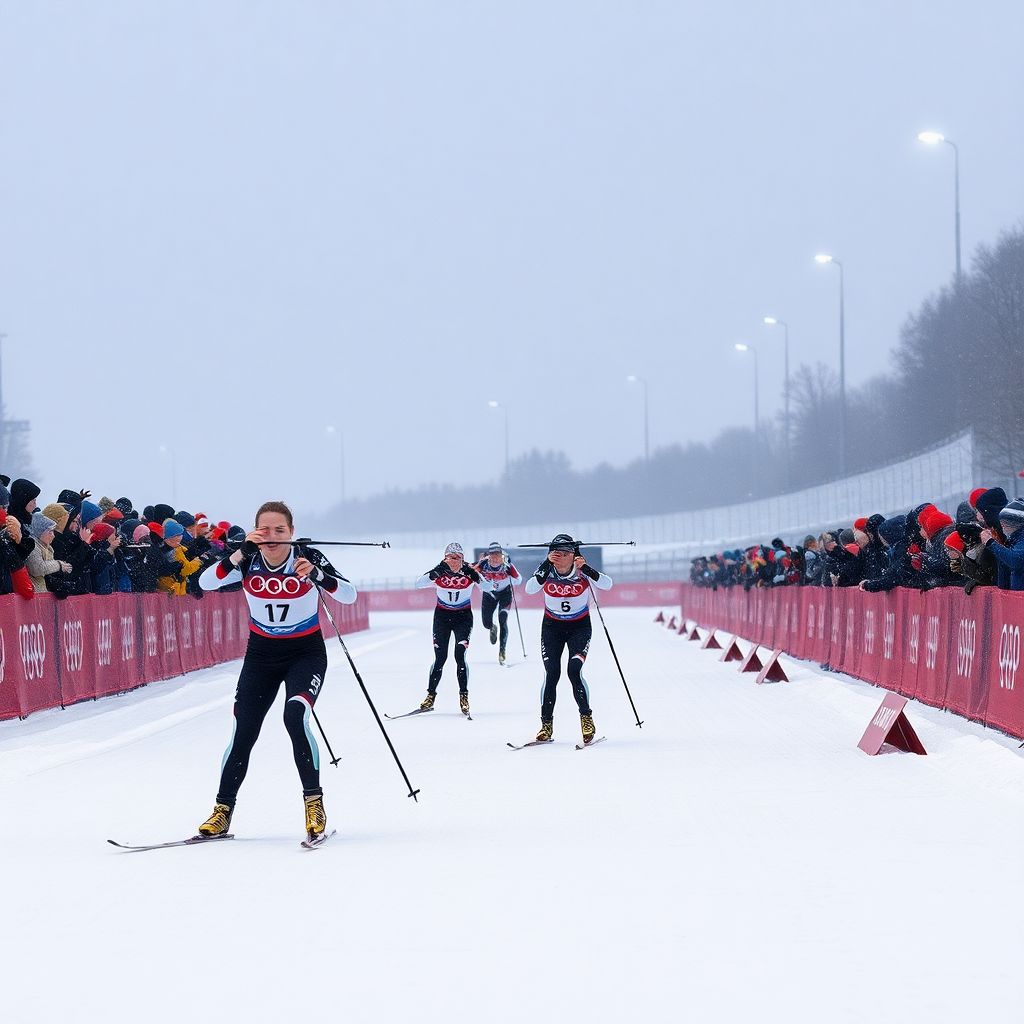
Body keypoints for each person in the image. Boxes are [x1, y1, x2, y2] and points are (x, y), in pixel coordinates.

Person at [196, 500, 357, 842]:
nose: (271, 537)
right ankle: (222, 811)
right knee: (244, 729)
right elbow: (206, 583)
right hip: (261, 656)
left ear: (292, 533)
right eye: (264, 530)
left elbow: (349, 595)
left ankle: (314, 803)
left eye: (279, 531)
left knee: (295, 716)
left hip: (305, 653)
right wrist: (238, 554)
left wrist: (318, 575)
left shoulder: (306, 558)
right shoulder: (248, 559)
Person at [523, 534, 612, 744]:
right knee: (552, 673)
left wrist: (587, 568)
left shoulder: (582, 570)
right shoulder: (546, 571)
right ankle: (546, 725)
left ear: (574, 555)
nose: (562, 558)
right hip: (552, 627)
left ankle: (586, 718)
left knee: (574, 670)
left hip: (579, 627)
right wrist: (546, 564)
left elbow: (608, 584)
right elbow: (529, 589)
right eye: (557, 554)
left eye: (566, 553)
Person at [414, 542, 493, 714]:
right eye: (451, 558)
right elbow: (418, 584)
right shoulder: (440, 570)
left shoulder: (469, 571)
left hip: (463, 617)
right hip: (441, 617)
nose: (454, 562)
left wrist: (472, 573)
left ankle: (464, 695)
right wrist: (438, 569)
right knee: (440, 658)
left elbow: (488, 587)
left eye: (458, 558)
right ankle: (430, 696)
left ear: (463, 559)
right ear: (445, 558)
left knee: (459, 655)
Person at [475, 541, 522, 664]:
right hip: (489, 595)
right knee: (486, 623)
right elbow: (472, 574)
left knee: (503, 618)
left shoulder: (507, 565)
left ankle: (502, 651)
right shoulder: (483, 564)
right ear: (489, 556)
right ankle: (492, 627)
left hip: (505, 594)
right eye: (493, 555)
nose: (495, 558)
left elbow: (519, 580)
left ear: (501, 555)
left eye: (498, 555)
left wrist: (510, 576)